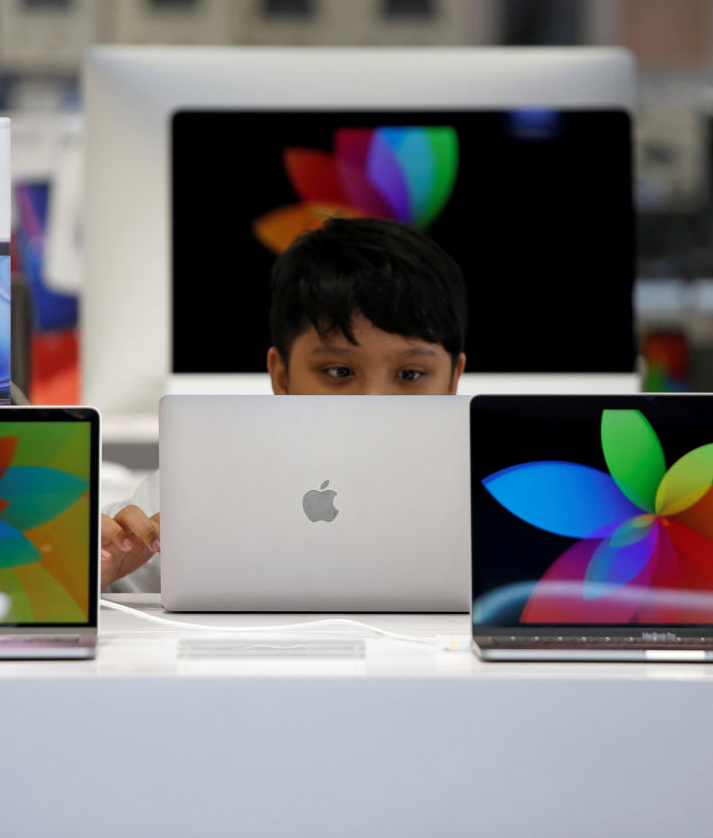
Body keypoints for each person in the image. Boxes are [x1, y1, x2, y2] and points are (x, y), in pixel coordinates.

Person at [101, 216, 468, 590]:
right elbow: (77, 580)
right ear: (282, 377)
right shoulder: (194, 487)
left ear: (454, 378)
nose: (375, 403)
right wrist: (92, 575)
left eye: (409, 375)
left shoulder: (494, 498)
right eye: (340, 371)